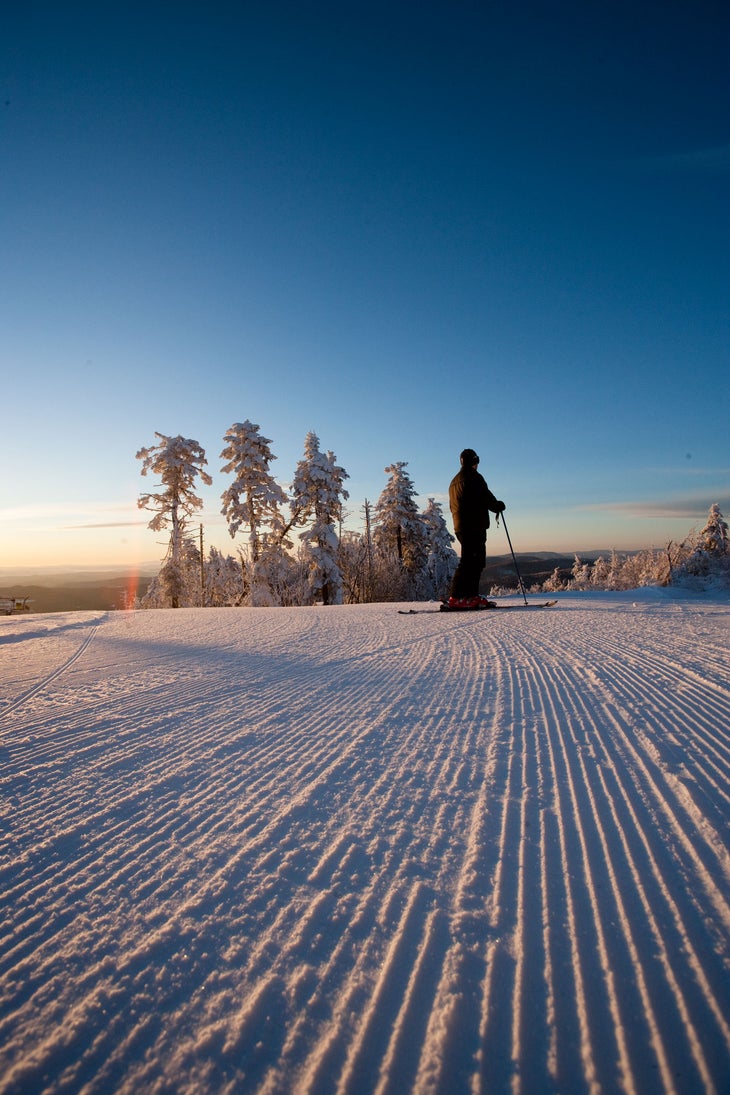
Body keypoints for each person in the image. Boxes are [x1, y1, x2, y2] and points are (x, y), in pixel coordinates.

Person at [447, 448, 505, 608]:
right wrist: (498, 505)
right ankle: (459, 597)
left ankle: (466, 596)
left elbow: (453, 506)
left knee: (469, 561)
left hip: (460, 527)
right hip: (474, 526)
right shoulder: (474, 478)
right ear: (474, 462)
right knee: (474, 562)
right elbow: (485, 496)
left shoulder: (454, 481)